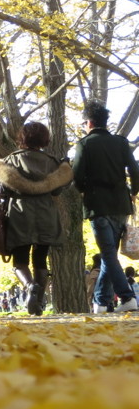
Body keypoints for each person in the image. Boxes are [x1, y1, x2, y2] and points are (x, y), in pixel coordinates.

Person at [0, 121, 72, 315]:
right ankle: (37, 303)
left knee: (20, 260)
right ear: (44, 139)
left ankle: (30, 288)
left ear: (22, 137)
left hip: (20, 212)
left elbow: (3, 189)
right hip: (46, 213)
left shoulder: (10, 160)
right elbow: (58, 189)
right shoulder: (52, 162)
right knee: (41, 260)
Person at [71, 100, 139, 314]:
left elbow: (77, 176)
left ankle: (127, 297)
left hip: (97, 204)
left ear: (89, 122)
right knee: (109, 254)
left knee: (108, 254)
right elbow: (135, 171)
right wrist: (133, 192)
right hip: (121, 203)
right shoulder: (120, 142)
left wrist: (84, 189)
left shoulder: (84, 144)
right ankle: (101, 302)